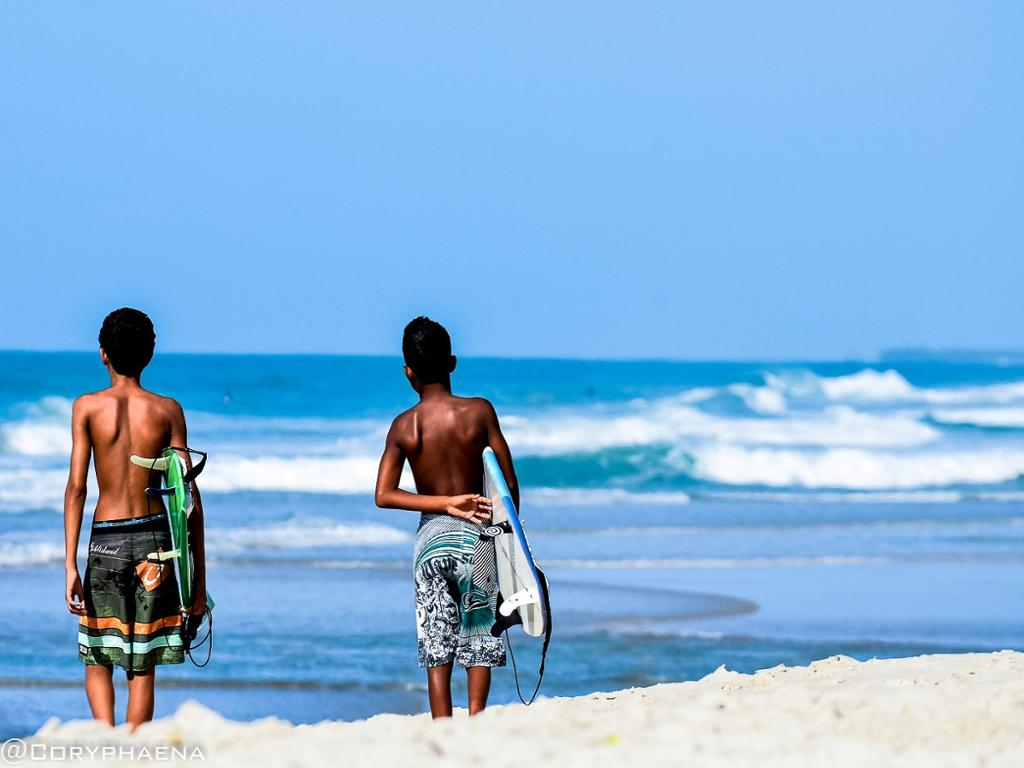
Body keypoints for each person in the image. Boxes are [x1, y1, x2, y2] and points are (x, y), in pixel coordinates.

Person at [64, 307, 207, 728]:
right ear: (150, 354)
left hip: (105, 541)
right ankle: (132, 747)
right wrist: (198, 581)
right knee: (142, 662)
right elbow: (188, 498)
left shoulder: (86, 407)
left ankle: (105, 741)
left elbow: (76, 488)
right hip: (154, 541)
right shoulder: (167, 410)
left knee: (98, 653)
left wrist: (70, 564)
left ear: (103, 354)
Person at [375, 316, 517, 718]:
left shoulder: (404, 426)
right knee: (479, 635)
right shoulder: (479, 412)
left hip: (430, 544)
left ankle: (442, 725)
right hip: (478, 538)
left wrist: (442, 503)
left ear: (408, 372)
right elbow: (508, 485)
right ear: (452, 363)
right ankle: (475, 719)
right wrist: (508, 539)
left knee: (436, 645)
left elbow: (384, 495)